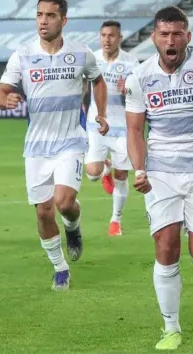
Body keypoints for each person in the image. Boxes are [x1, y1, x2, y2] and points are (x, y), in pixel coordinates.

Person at [124, 6, 193, 350]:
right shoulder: (139, 77)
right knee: (166, 247)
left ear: (188, 36)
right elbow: (134, 129)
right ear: (154, 37)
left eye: (177, 34)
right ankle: (171, 328)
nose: (170, 41)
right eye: (164, 34)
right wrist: (139, 171)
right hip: (161, 174)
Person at [0, 0, 108, 291]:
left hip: (71, 140)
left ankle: (73, 226)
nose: (43, 21)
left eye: (50, 15)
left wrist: (101, 114)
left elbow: (98, 80)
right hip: (37, 146)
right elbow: (0, 91)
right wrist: (5, 100)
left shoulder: (81, 53)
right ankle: (60, 268)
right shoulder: (22, 54)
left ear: (63, 20)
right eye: (39, 15)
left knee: (65, 202)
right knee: (44, 211)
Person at [84, 20, 140, 236]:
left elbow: (139, 92)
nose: (107, 40)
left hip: (122, 127)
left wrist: (128, 90)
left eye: (112, 36)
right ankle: (104, 169)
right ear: (100, 37)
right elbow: (81, 85)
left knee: (123, 175)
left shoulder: (131, 62)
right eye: (104, 35)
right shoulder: (92, 59)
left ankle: (115, 220)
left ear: (120, 38)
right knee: (92, 174)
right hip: (95, 123)